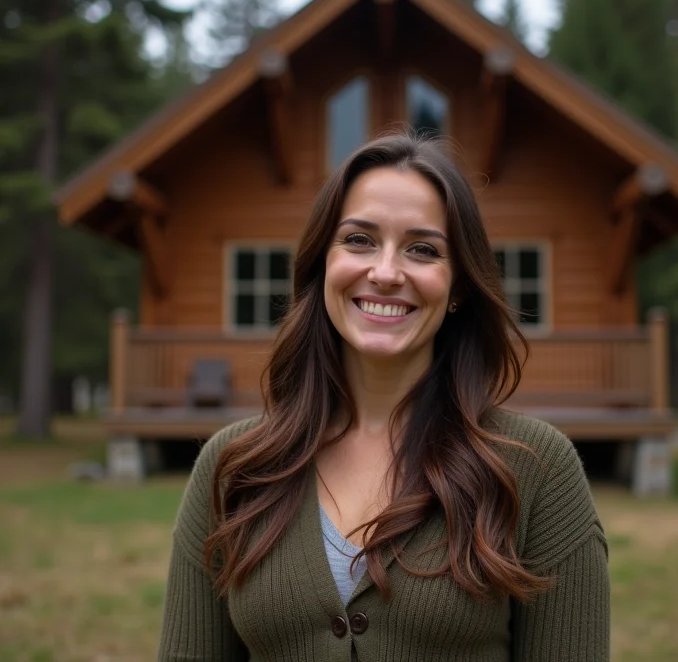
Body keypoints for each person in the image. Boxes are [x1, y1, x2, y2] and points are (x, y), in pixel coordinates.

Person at [157, 133, 610, 662]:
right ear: (323, 263)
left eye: (423, 249)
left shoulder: (537, 469)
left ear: (459, 285)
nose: (387, 273)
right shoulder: (233, 468)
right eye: (359, 240)